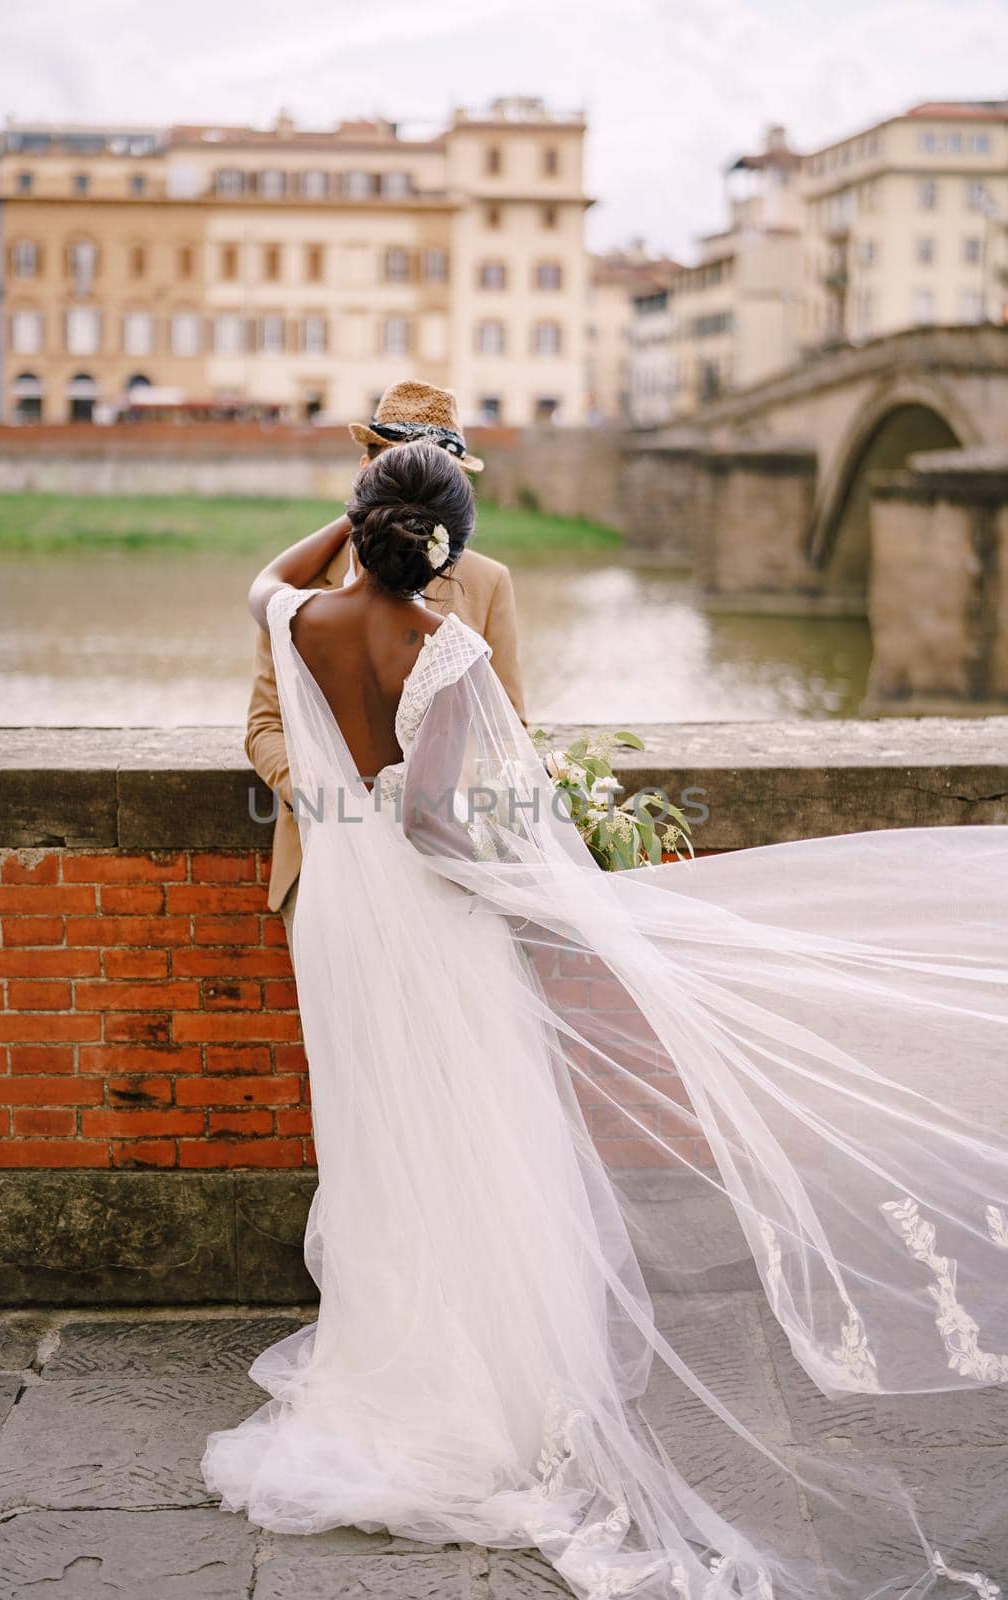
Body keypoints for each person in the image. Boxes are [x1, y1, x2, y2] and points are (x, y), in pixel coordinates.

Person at [204, 440, 1008, 1600]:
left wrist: (354, 518)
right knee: (481, 1127)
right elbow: (446, 815)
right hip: (429, 911)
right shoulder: (450, 646)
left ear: (363, 523)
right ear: (451, 545)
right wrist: (518, 881)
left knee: (380, 1132)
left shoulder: (299, 619)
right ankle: (485, 1384)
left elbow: (268, 581)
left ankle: (381, 1368)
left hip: (339, 901)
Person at [244, 380, 525, 946]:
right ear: (364, 467)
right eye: (402, 468)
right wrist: (328, 803)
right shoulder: (310, 586)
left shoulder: (488, 582)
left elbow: (508, 728)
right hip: (323, 863)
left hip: (440, 877)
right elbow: (263, 725)